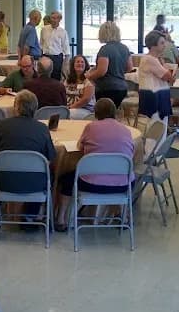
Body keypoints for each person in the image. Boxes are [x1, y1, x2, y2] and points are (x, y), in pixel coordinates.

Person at [53, 98, 135, 232]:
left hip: (91, 183)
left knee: (65, 180)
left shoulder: (91, 127)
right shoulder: (126, 130)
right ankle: (123, 215)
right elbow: (131, 153)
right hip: (123, 185)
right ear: (114, 113)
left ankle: (60, 218)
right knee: (124, 172)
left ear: (96, 114)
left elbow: (80, 147)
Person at [0, 89, 56, 194]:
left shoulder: (0, 126)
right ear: (35, 108)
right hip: (36, 184)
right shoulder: (42, 129)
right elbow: (49, 159)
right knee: (52, 175)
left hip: (4, 182)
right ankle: (34, 209)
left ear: (16, 107)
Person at [85, 21, 132, 108]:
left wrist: (88, 77)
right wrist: (117, 70)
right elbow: (129, 67)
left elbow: (102, 71)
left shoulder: (105, 49)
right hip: (122, 87)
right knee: (114, 112)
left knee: (104, 114)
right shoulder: (124, 48)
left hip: (107, 88)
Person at [138, 30, 175, 121]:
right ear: (153, 45)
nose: (165, 45)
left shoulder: (155, 59)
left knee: (160, 127)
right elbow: (168, 77)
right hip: (154, 97)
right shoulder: (150, 59)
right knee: (156, 128)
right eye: (162, 43)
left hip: (159, 94)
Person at [40, 10, 70, 81]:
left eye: (56, 18)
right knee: (44, 78)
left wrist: (65, 65)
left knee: (55, 78)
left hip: (57, 58)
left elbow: (66, 50)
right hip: (45, 57)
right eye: (52, 18)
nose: (54, 20)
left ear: (59, 19)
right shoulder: (44, 29)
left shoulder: (63, 32)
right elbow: (41, 44)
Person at [65, 54, 95, 120]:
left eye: (82, 62)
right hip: (68, 108)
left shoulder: (88, 80)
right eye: (77, 62)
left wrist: (70, 107)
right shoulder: (67, 80)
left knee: (67, 114)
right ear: (73, 65)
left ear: (85, 65)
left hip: (85, 109)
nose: (80, 63)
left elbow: (86, 99)